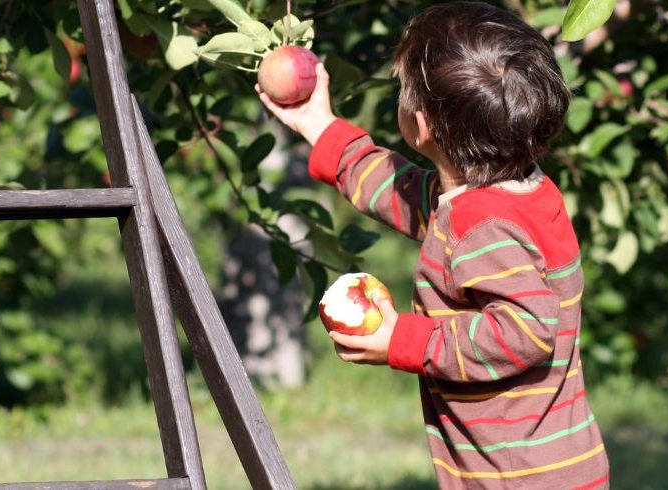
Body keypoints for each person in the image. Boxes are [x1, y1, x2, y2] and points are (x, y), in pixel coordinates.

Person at [257, 2, 610, 487]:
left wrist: (402, 340)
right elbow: (402, 193)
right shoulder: (512, 196)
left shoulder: (482, 227)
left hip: (516, 478)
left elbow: (525, 331)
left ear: (419, 126)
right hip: (550, 465)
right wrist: (320, 125)